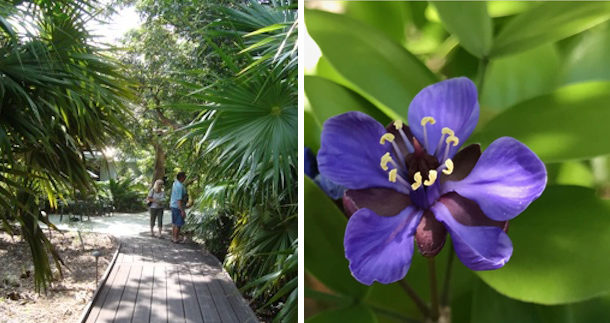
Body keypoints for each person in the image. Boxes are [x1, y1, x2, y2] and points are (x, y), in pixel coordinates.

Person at [170, 171, 187, 243]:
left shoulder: (175, 183)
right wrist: (182, 210)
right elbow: (179, 199)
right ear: (182, 177)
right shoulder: (180, 186)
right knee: (178, 223)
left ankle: (173, 237)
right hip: (177, 206)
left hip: (173, 205)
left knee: (174, 222)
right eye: (185, 176)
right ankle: (176, 238)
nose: (186, 178)